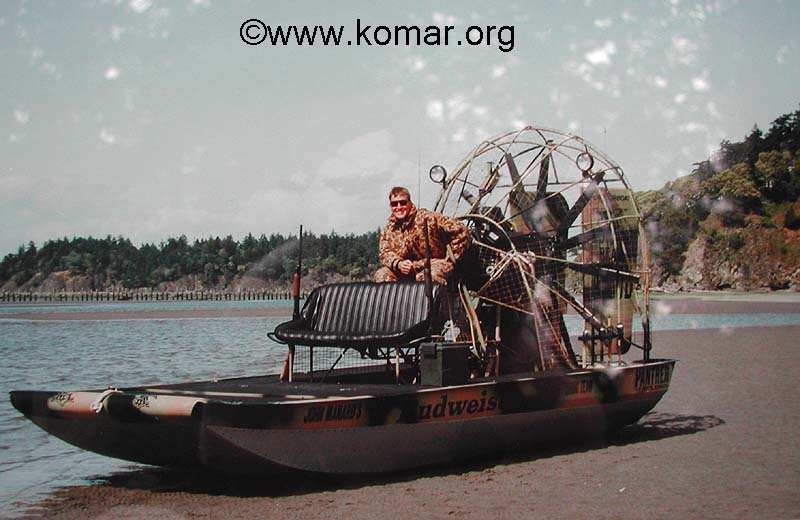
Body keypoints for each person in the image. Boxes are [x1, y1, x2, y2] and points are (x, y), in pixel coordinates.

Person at [373, 186, 470, 285]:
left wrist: (449, 260)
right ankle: (395, 300)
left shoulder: (428, 218)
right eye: (394, 204)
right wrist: (398, 263)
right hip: (405, 270)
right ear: (390, 206)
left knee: (426, 277)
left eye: (402, 203)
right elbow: (384, 253)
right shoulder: (389, 229)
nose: (399, 207)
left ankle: (438, 299)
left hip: (434, 266)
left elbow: (461, 230)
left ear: (409, 203)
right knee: (382, 275)